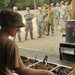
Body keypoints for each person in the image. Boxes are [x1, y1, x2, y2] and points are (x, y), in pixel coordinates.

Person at [0, 9, 55, 75]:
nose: (18, 29)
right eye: (17, 26)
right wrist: (45, 73)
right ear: (8, 25)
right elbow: (20, 70)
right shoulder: (9, 44)